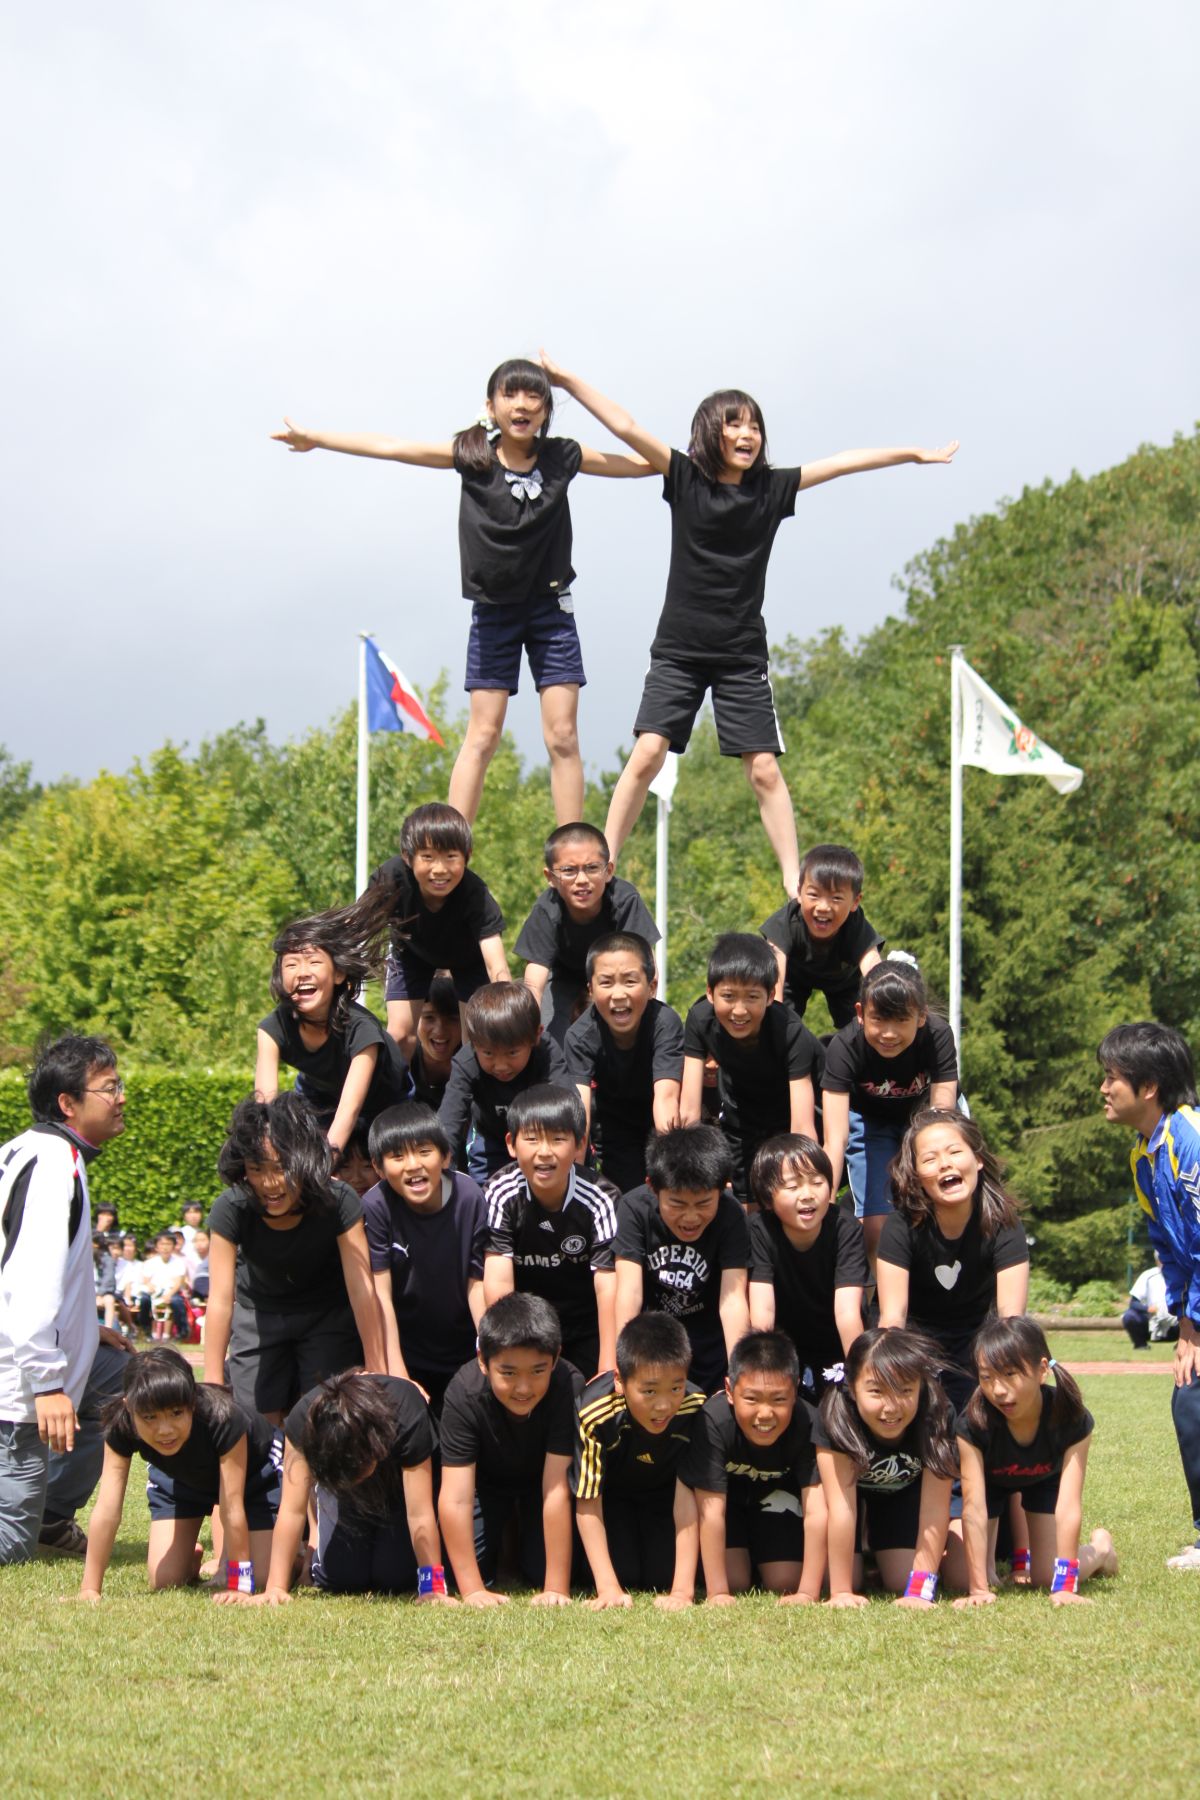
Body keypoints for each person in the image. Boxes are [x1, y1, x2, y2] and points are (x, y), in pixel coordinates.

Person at [537, 350, 957, 892]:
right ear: (710, 433)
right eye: (735, 424)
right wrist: (568, 379)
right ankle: (605, 863)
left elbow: (845, 460)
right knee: (647, 753)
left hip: (740, 656)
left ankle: (792, 881)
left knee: (763, 768)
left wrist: (912, 455)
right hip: (680, 650)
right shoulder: (685, 478)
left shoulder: (772, 489)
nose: (747, 433)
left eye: (755, 425)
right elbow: (626, 426)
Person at [273, 357, 652, 824]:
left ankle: (570, 852)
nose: (522, 404)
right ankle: (454, 850)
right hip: (494, 612)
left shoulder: (561, 457)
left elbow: (642, 463)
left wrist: (693, 462)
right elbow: (393, 446)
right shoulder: (472, 456)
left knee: (562, 736)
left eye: (534, 395)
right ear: (490, 406)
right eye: (510, 394)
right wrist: (317, 439)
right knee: (483, 734)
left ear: (547, 409)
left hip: (551, 610)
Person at [0, 1033, 134, 1563]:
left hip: (38, 1354)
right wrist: (50, 1384)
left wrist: (84, 1325)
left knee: (127, 1383)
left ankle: (52, 1517)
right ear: (68, 1104)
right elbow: (29, 1278)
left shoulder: (26, 1150)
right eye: (109, 1087)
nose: (121, 1096)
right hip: (21, 1377)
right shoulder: (53, 1165)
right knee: (10, 1548)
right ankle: (36, 1519)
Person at [203, 1093, 386, 1422]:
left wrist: (377, 1368)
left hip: (327, 1316)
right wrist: (213, 1383)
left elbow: (362, 1289)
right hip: (259, 1313)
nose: (270, 1183)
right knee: (254, 1419)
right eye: (257, 1169)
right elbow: (219, 1299)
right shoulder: (230, 1208)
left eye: (282, 1168)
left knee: (324, 1414)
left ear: (304, 1162)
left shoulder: (340, 1200)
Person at [1098, 1021, 1200, 1569]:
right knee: (1191, 1399)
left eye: (1112, 1077)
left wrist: (1193, 1326)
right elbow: (1172, 1250)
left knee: (1193, 1400)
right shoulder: (1145, 1155)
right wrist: (1187, 1322)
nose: (1104, 1088)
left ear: (1150, 1085)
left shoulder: (1191, 1140)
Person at [76, 1347, 282, 1601]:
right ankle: (189, 1557)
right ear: (129, 1407)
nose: (165, 1430)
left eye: (176, 1413)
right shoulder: (120, 1423)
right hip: (181, 1479)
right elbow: (107, 1508)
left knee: (259, 1577)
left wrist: (237, 1585)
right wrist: (89, 1588)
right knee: (165, 1580)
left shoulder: (223, 1417)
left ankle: (292, 1553)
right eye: (149, 1417)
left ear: (192, 1402)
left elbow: (231, 1506)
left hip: (255, 1477)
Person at [953, 1316, 1117, 1607]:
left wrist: (1065, 1587)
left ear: (1042, 1370)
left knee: (1046, 1576)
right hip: (989, 1487)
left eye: (1010, 1374)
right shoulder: (972, 1423)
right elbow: (973, 1506)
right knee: (958, 1576)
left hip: (1043, 1482)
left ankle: (1101, 1548)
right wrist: (978, 1588)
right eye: (987, 1377)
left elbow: (1068, 1505)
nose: (998, 1390)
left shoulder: (1071, 1418)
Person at [246, 1370, 448, 1602]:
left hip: (399, 1488)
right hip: (343, 1493)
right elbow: (292, 1509)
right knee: (339, 1577)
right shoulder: (303, 1419)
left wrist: (432, 1588)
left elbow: (420, 1513)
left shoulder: (406, 1410)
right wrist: (276, 1588)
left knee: (395, 1576)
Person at [878, 1109, 1029, 1409]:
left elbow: (1011, 1318)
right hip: (916, 1340)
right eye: (930, 1158)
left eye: (955, 1151)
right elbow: (893, 1317)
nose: (944, 1163)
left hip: (977, 1341)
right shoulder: (900, 1226)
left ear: (978, 1159)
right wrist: (891, 1372)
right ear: (917, 1176)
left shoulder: (1004, 1224)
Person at [437, 1294, 582, 1606]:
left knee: (546, 1569)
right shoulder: (463, 1393)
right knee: (459, 1571)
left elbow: (556, 1488)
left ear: (556, 1358)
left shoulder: (569, 1385)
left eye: (538, 1371)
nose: (524, 1388)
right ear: (482, 1360)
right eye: (509, 1373)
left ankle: (522, 1550)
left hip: (541, 1486)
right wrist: (473, 1591)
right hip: (485, 1485)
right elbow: (456, 1496)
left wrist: (556, 1588)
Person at [822, 958, 960, 1262]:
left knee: (946, 1207)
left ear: (921, 1016)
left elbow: (943, 1112)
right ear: (860, 1014)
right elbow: (835, 1139)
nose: (888, 1033)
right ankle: (878, 1302)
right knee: (875, 1226)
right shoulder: (844, 1048)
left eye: (900, 1020)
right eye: (879, 1019)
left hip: (929, 1120)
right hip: (871, 1124)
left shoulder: (937, 1035)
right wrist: (825, 1204)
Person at [813, 1327, 958, 1608]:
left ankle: (881, 1555)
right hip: (849, 1497)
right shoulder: (837, 1413)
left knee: (901, 1580)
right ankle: (861, 1559)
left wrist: (919, 1592)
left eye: (905, 1390)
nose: (891, 1408)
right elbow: (841, 1507)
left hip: (902, 1494)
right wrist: (841, 1592)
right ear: (853, 1388)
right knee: (843, 1579)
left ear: (921, 1386)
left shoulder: (937, 1413)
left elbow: (934, 1510)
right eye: (877, 1391)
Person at [255, 908, 412, 1164]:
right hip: (319, 1096)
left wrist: (325, 1161)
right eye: (291, 965)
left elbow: (349, 1112)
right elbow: (265, 1103)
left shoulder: (362, 1028)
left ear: (338, 974)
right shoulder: (272, 1028)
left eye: (314, 962)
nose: (302, 972)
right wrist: (269, 1154)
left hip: (387, 1101)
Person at [682, 1330, 826, 1605]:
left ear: (795, 1391)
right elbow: (711, 1513)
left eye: (778, 1399)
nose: (765, 1413)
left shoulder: (808, 1422)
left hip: (777, 1498)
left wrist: (807, 1592)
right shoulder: (712, 1420)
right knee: (735, 1580)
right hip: (729, 1501)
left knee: (784, 1580)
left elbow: (816, 1509)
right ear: (729, 1390)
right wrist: (718, 1592)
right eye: (752, 1399)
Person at [483, 1085, 618, 1378]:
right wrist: (505, 1353)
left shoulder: (601, 1199)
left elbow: (608, 1286)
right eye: (531, 1139)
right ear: (511, 1143)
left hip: (586, 1327)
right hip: (526, 1326)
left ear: (580, 1144)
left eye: (558, 1139)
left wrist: (608, 1366)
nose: (544, 1152)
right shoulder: (500, 1193)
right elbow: (497, 1279)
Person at [362, 1102, 488, 1414]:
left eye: (423, 1151)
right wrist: (399, 1376)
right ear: (378, 1167)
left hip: (464, 1349)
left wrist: (490, 1353)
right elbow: (380, 1296)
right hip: (408, 1352)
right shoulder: (375, 1206)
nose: (412, 1165)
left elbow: (478, 1284)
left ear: (445, 1156)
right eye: (397, 1156)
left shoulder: (469, 1196)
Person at [573, 1313, 705, 1608]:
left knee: (661, 1575)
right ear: (619, 1380)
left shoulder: (695, 1408)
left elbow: (689, 1495)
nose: (664, 1404)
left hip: (664, 1499)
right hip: (613, 1500)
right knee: (624, 1573)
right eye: (649, 1391)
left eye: (675, 1388)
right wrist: (607, 1588)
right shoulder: (594, 1412)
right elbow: (588, 1500)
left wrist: (682, 1592)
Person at [360, 802, 508, 1063]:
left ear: (467, 856)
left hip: (469, 960)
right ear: (408, 857)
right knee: (399, 1035)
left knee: (475, 1041)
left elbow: (497, 965)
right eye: (427, 857)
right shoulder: (391, 878)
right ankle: (395, 1099)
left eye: (451, 857)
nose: (439, 869)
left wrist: (507, 1005)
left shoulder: (475, 894)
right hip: (411, 952)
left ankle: (472, 1101)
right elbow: (356, 928)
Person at [681, 933, 822, 1202]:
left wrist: (806, 1186)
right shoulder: (700, 1020)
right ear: (710, 993)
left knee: (783, 1195)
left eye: (752, 997)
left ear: (771, 996)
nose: (739, 1010)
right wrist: (687, 1167)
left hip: (789, 1111)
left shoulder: (790, 1032)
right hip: (741, 1112)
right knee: (746, 1202)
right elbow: (688, 1110)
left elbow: (802, 1124)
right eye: (729, 996)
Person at [613, 1124, 751, 1394]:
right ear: (653, 1188)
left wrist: (739, 1372)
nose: (690, 1218)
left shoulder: (732, 1215)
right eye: (677, 1204)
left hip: (709, 1341)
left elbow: (733, 1300)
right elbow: (628, 1292)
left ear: (722, 1189)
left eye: (703, 1204)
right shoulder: (633, 1209)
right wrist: (624, 1363)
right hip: (654, 1338)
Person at [516, 823, 659, 1045]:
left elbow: (645, 958)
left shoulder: (624, 899)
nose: (582, 880)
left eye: (592, 868)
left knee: (643, 1026)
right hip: (563, 976)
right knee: (546, 1031)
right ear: (551, 877)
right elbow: (536, 973)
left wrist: (647, 1001)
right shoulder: (547, 908)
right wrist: (528, 1018)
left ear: (608, 871)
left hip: (614, 976)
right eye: (569, 871)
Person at [747, 1135, 866, 1399]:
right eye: (792, 1187)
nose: (808, 1195)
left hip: (835, 1342)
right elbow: (762, 1311)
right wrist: (765, 1372)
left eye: (817, 1182)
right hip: (785, 1343)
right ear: (768, 1198)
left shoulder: (845, 1229)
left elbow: (847, 1312)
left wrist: (860, 1375)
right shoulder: (758, 1230)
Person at [564, 932, 684, 1194]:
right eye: (606, 983)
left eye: (630, 981)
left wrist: (670, 1164)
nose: (618, 994)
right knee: (627, 1199)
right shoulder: (579, 1036)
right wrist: (571, 1176)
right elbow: (579, 1109)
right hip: (614, 1130)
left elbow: (666, 1098)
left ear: (651, 986)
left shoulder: (665, 1023)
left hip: (659, 1122)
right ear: (591, 989)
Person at [438, 981, 571, 1179]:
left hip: (542, 1140)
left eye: (512, 1052)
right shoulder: (466, 1062)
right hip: (489, 1139)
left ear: (536, 1036)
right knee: (485, 1192)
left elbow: (569, 1107)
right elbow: (449, 1121)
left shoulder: (547, 1053)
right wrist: (441, 1169)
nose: (500, 1065)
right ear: (474, 1043)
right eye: (489, 1053)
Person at [760, 842, 884, 1025]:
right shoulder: (787, 921)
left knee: (861, 1025)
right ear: (799, 893)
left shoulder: (855, 923)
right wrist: (774, 1020)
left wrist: (886, 998)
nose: (823, 907)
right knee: (777, 1016)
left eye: (836, 898)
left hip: (844, 980)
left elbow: (872, 964)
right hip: (794, 977)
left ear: (855, 902)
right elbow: (775, 970)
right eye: (814, 895)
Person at [409, 974, 463, 1110]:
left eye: (451, 1018)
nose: (440, 1030)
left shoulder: (479, 1060)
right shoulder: (405, 1059)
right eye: (429, 1018)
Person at [139, 1230, 190, 1340]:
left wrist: (169, 1295)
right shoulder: (150, 1262)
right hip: (154, 1292)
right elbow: (146, 1280)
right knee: (144, 1300)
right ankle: (145, 1329)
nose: (165, 1247)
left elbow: (178, 1282)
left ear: (173, 1246)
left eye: (168, 1244)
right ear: (156, 1247)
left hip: (171, 1292)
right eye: (162, 1244)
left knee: (177, 1302)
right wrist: (151, 1288)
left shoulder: (178, 1262)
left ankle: (182, 1331)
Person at [1124, 1256, 1178, 1347]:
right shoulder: (1148, 1275)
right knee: (1129, 1316)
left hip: (1176, 1324)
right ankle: (1140, 1345)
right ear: (1157, 1261)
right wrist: (1148, 1309)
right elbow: (1133, 1303)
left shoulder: (1182, 1274)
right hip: (1151, 1324)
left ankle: (1183, 1346)